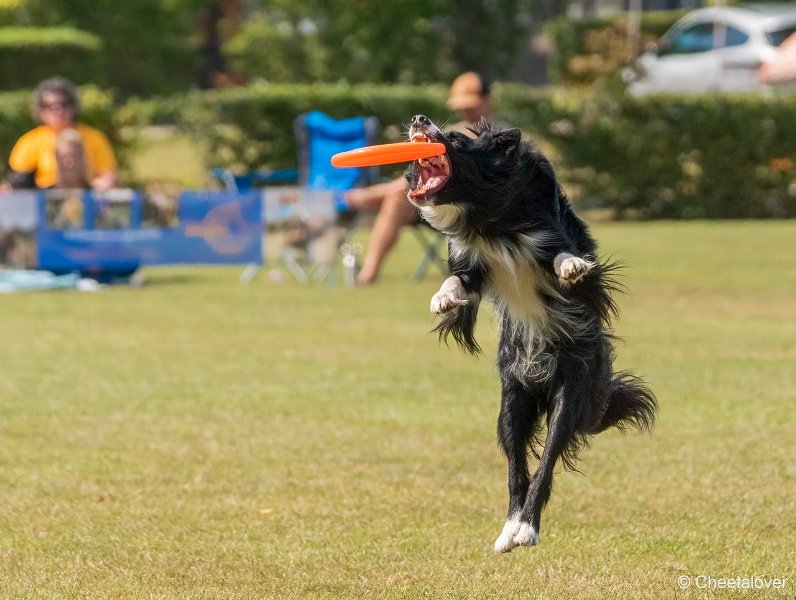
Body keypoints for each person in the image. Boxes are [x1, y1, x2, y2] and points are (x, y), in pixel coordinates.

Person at [344, 72, 497, 285]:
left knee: (398, 193)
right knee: (398, 198)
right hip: (434, 202)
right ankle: (368, 275)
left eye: (470, 104)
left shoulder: (500, 136)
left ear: (487, 100)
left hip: (467, 210)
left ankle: (371, 197)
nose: (465, 110)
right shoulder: (452, 130)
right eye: (462, 105)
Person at [4, 76, 117, 191]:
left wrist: (87, 193)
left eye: (63, 104)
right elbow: (17, 182)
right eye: (49, 106)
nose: (57, 110)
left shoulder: (94, 137)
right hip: (43, 202)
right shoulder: (29, 141)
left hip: (85, 199)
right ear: (40, 110)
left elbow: (108, 178)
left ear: (73, 106)